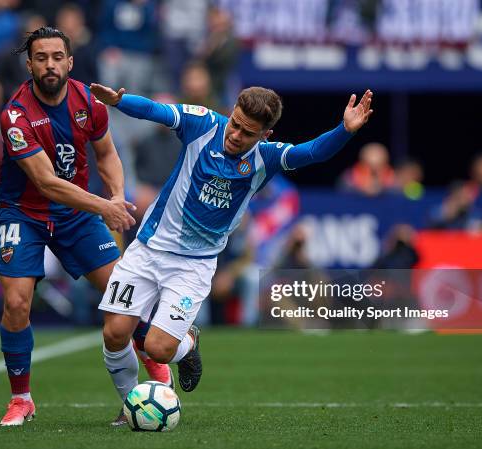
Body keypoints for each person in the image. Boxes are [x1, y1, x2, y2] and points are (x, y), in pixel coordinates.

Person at [89, 82, 374, 422]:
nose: (236, 134)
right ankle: (128, 406)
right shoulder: (204, 124)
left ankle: (188, 345)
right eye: (235, 123)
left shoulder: (267, 157)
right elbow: (157, 111)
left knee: (158, 348)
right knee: (115, 332)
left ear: (265, 135)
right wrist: (121, 101)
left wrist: (344, 130)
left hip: (194, 266)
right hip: (148, 249)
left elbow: (312, 152)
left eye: (247, 132)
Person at [0, 26, 171, 428]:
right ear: (30, 65)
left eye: (57, 57)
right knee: (17, 302)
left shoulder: (88, 101)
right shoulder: (16, 115)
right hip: (24, 212)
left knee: (124, 296)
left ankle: (149, 368)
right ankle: (22, 399)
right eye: (42, 58)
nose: (50, 64)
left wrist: (117, 196)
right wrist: (103, 208)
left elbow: (107, 154)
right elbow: (46, 183)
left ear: (70, 62)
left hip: (76, 213)